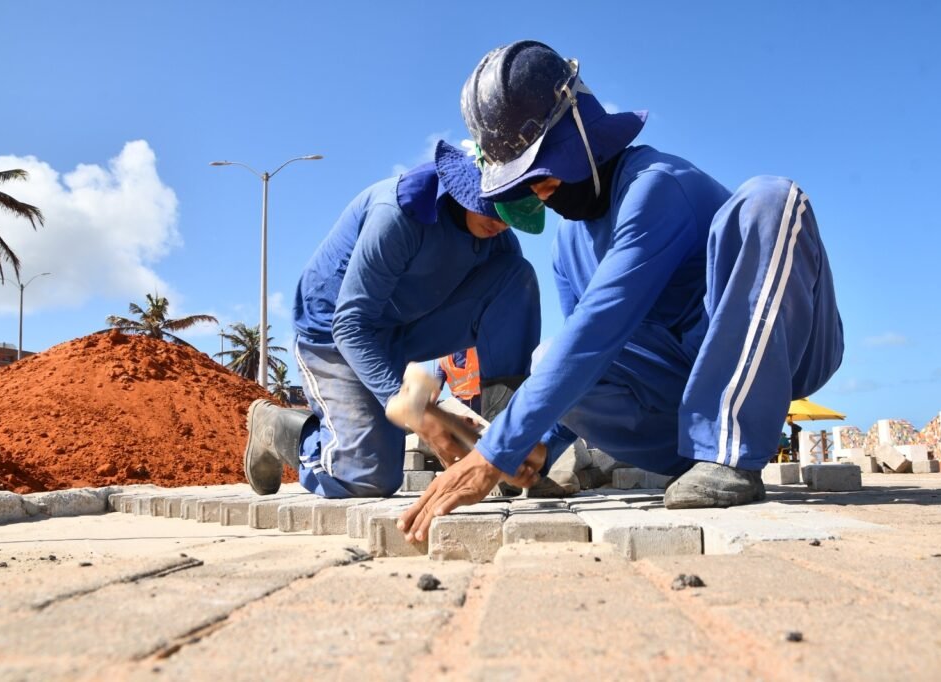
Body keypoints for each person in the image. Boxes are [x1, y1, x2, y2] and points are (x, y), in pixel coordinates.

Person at [399, 41, 844, 541]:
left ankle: (729, 452)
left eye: (543, 171)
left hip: (787, 348)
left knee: (770, 201)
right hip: (676, 397)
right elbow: (583, 357)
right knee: (549, 357)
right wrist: (535, 448)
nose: (542, 192)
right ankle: (700, 456)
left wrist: (492, 452)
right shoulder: (567, 247)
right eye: (526, 184)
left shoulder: (654, 186)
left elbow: (599, 328)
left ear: (580, 133)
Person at [243, 140, 543, 498]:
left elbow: (505, 309)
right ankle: (279, 429)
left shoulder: (498, 237)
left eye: (510, 215)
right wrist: (415, 411)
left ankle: (502, 448)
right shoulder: (400, 212)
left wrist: (499, 442)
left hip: (405, 329)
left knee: (516, 277)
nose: (500, 223)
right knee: (369, 477)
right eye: (492, 209)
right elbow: (351, 325)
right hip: (336, 334)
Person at [434, 347, 481, 414]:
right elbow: (436, 387)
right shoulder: (444, 360)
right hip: (461, 407)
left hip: (480, 402)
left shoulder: (477, 349)